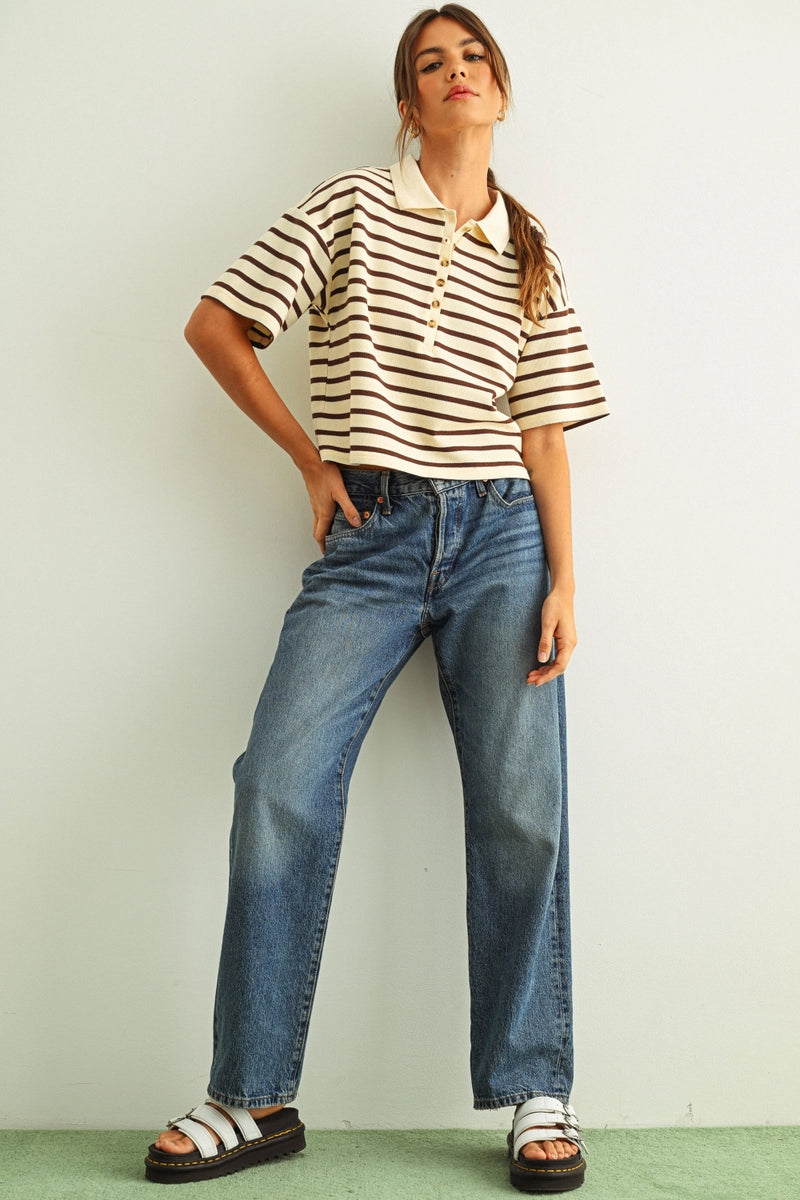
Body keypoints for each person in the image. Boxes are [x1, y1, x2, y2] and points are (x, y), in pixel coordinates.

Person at [144, 5, 607, 1192]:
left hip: (504, 537)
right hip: (373, 536)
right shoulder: (350, 203)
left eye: (471, 58)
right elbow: (217, 323)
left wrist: (564, 576)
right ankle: (252, 1095)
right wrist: (310, 463)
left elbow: (544, 432)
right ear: (407, 104)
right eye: (428, 64)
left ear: (501, 89)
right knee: (278, 781)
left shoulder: (529, 245)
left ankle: (534, 1089)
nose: (453, 75)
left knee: (520, 810)